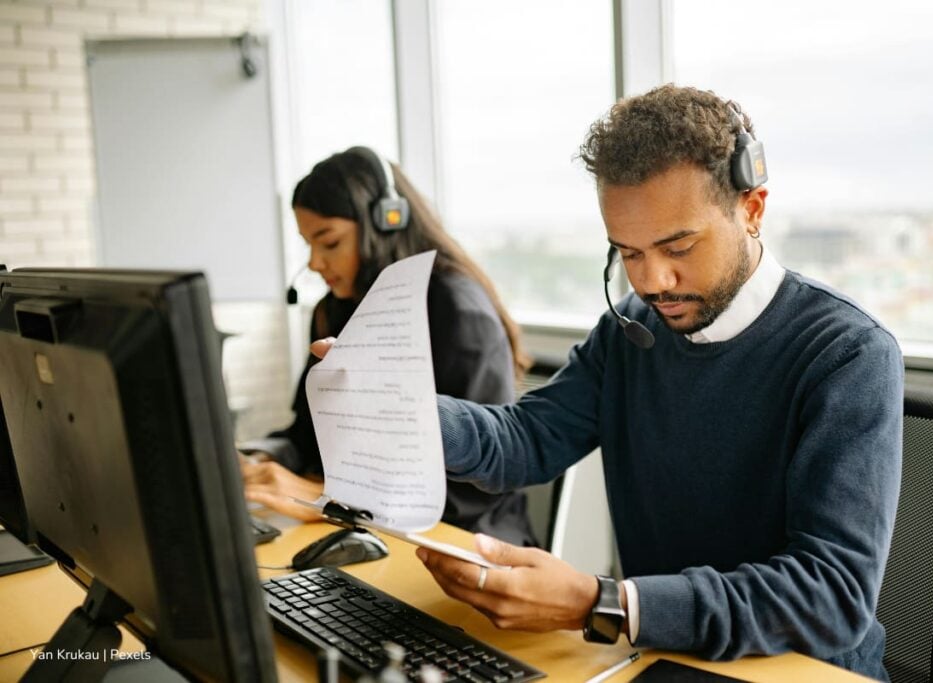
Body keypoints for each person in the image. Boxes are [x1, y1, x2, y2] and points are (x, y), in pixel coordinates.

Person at [315, 87, 901, 680]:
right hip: (664, 658)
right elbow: (526, 438)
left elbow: (833, 597)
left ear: (752, 209)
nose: (653, 281)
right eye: (628, 252)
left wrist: (607, 604)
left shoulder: (847, 354)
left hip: (799, 669)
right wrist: (402, 406)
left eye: (678, 247)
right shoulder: (631, 332)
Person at [241, 147, 537, 546]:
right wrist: (259, 459)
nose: (313, 263)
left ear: (386, 223)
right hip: (368, 531)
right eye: (307, 244)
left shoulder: (458, 310)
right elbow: (305, 437)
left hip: (464, 541)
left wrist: (326, 499)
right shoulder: (335, 310)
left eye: (328, 242)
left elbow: (474, 490)